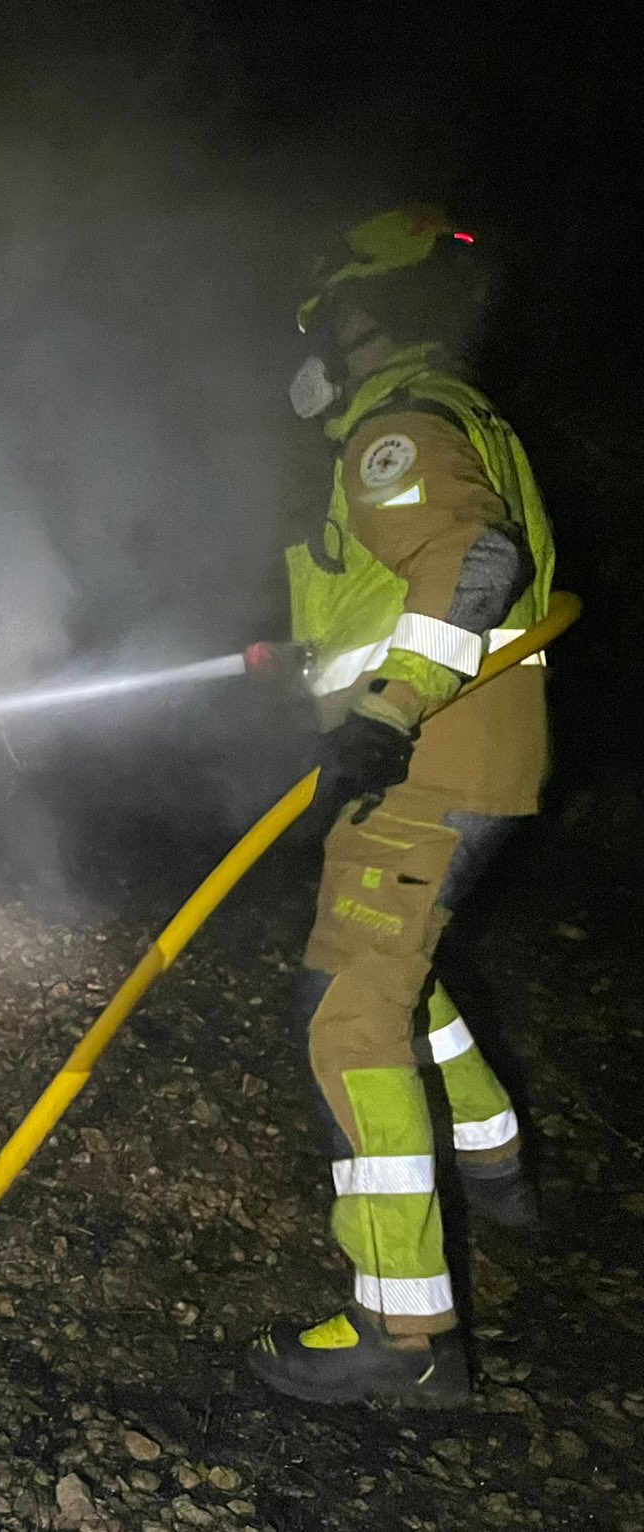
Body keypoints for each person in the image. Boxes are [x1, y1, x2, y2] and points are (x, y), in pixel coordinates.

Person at [248, 206, 555, 1407]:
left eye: (323, 316)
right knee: (397, 980)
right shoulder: (464, 414)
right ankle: (498, 1172)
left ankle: (401, 1332)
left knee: (345, 1019)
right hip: (472, 761)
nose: (312, 344)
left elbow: (472, 564)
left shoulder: (399, 424)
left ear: (364, 316)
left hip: (428, 764)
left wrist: (383, 707)